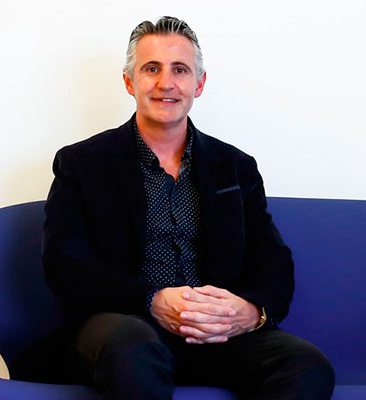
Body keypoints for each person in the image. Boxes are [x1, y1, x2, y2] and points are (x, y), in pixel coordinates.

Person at [36, 16, 335, 399]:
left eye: (180, 70)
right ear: (129, 82)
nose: (166, 83)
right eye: (151, 69)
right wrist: (152, 300)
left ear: (199, 83)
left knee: (306, 366)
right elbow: (65, 264)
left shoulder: (235, 166)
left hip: (215, 334)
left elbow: (272, 259)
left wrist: (251, 312)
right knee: (134, 349)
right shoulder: (83, 163)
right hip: (123, 327)